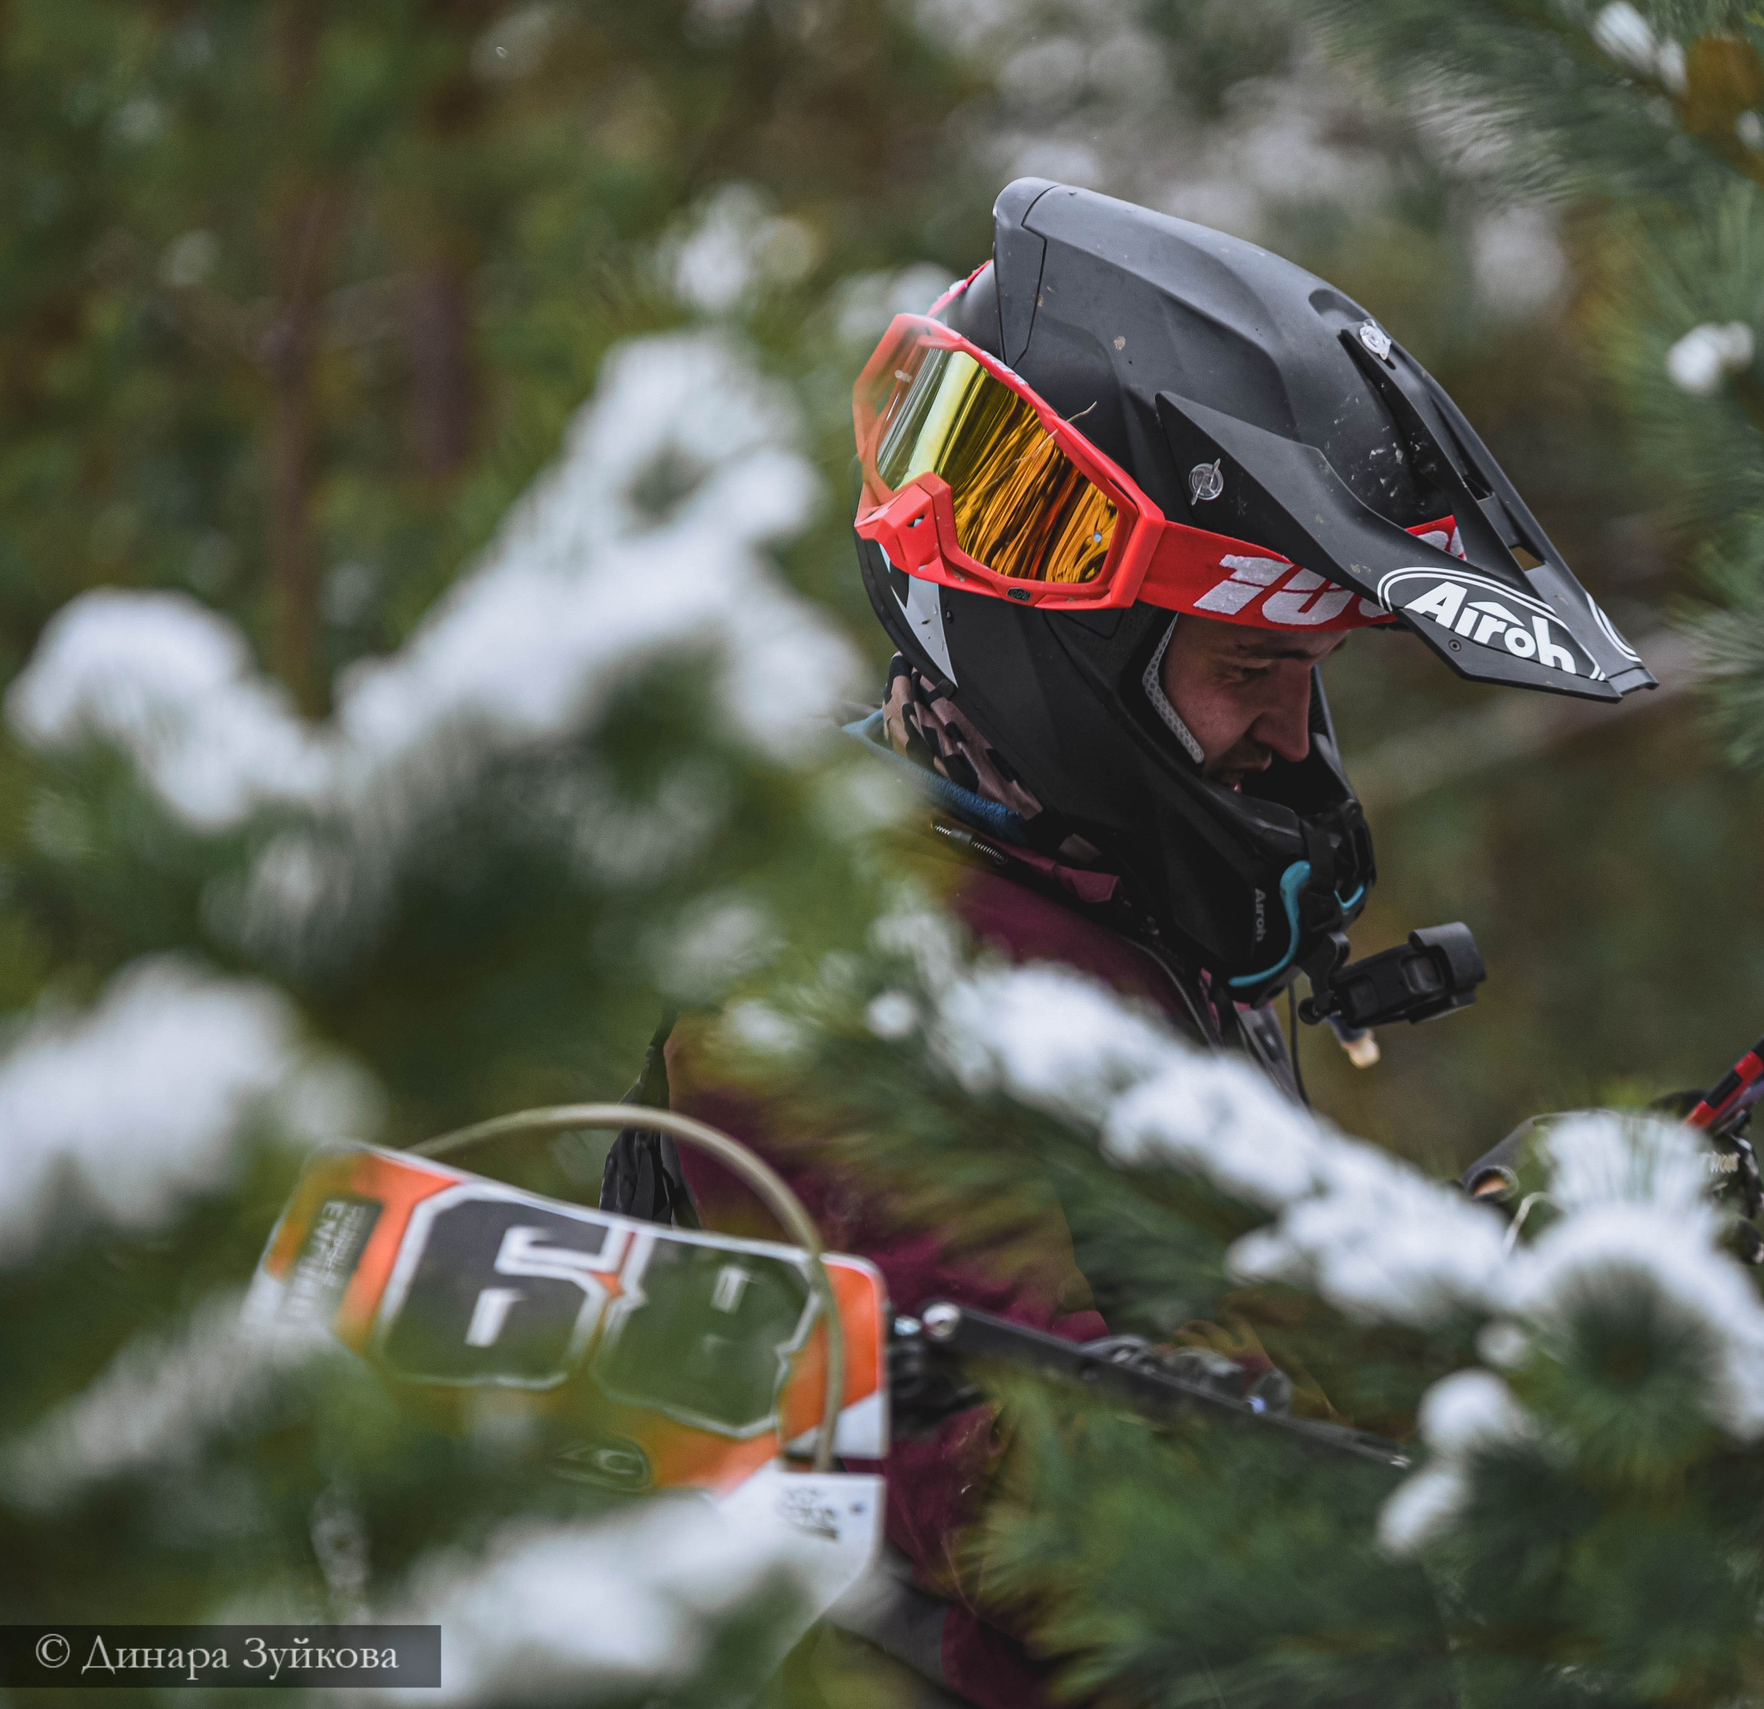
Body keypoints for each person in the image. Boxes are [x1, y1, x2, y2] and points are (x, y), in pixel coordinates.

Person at [604, 178, 1653, 1706]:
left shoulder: (1089, 907)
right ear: (1068, 643)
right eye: (1247, 666)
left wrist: (1487, 1274)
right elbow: (1019, 1485)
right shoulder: (847, 979)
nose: (1289, 734)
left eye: (1305, 672)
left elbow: (1182, 1330)